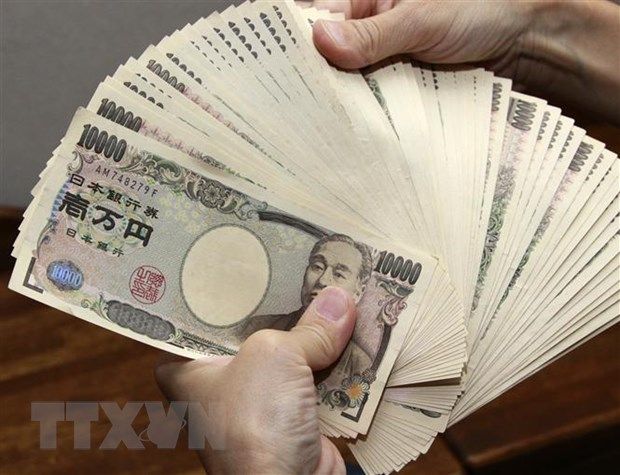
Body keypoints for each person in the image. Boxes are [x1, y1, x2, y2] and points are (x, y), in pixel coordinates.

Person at [155, 1, 620, 473]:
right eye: (318, 265)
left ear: (363, 285)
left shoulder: (353, 360)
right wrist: (533, 29)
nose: (322, 280)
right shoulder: (258, 329)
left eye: (339, 270)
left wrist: (261, 466)